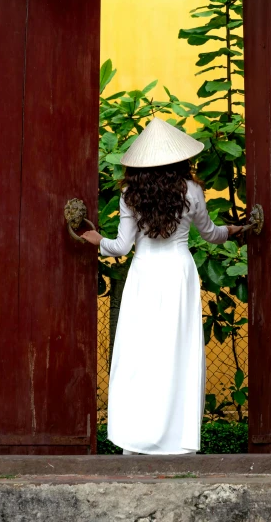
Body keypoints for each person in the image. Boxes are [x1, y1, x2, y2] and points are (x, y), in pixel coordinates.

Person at [82, 117, 242, 456]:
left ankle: (136, 440)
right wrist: (234, 231)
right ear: (180, 158)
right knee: (177, 353)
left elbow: (122, 247)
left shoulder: (130, 193)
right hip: (179, 274)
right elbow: (211, 235)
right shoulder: (193, 191)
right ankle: (177, 442)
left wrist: (96, 239)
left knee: (141, 355)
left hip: (144, 275)